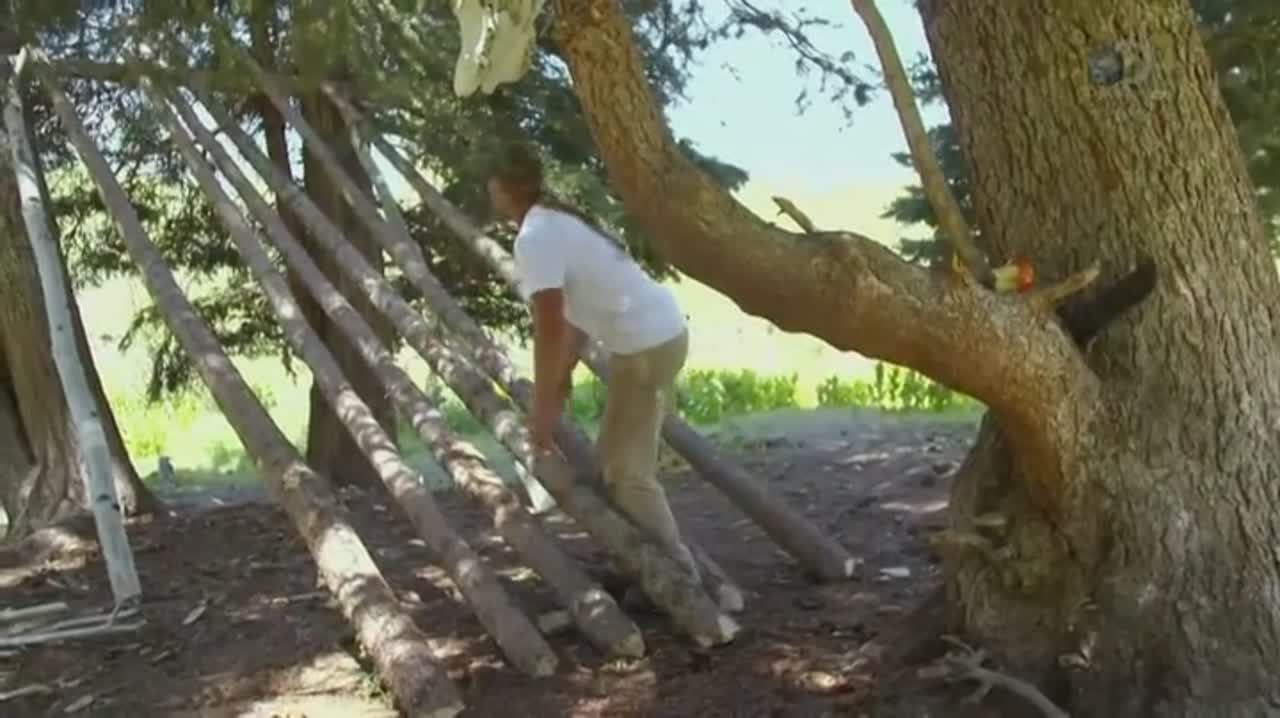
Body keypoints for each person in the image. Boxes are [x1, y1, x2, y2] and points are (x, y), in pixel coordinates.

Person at [486, 144, 701, 581]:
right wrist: (560, 381)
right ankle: (642, 568)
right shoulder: (556, 221)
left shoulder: (534, 237)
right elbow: (574, 318)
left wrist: (542, 410)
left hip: (645, 348)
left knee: (626, 472)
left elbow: (549, 324)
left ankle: (680, 578)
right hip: (655, 339)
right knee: (615, 463)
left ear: (503, 188)